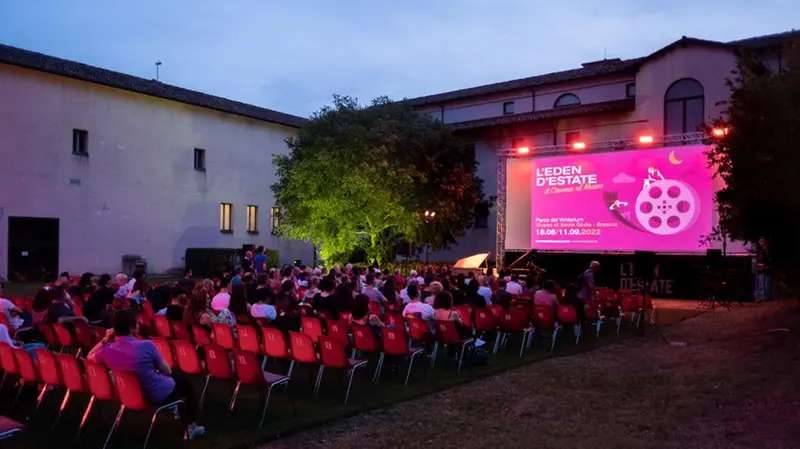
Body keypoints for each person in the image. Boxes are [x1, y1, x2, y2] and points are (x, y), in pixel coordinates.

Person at [87, 310, 205, 440]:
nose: (139, 326)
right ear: (132, 329)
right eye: (137, 324)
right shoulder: (146, 345)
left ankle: (180, 411)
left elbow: (89, 356)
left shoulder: (108, 349)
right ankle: (191, 426)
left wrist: (105, 339)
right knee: (183, 382)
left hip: (130, 394)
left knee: (178, 377)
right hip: (155, 394)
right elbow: (167, 371)